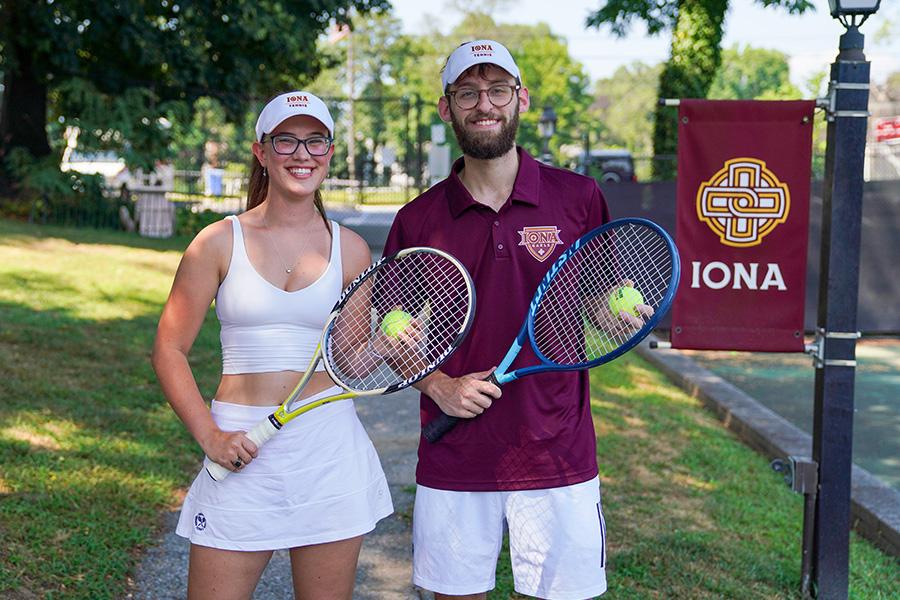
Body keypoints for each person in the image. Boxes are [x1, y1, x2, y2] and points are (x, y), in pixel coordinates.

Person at [382, 40, 615, 599]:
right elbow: (392, 330)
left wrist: (619, 318)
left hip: (558, 453)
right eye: (467, 92)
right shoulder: (417, 220)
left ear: (522, 99)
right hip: (456, 456)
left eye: (497, 90)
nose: (484, 104)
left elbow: (604, 307)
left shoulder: (579, 199)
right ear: (447, 108)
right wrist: (438, 385)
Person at [151, 91, 393, 600]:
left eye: (315, 141)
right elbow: (168, 350)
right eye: (287, 140)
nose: (302, 154)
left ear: (330, 152)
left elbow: (348, 360)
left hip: (327, 454)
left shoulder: (350, 249)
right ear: (262, 151)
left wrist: (394, 349)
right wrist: (211, 438)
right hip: (241, 449)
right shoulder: (216, 242)